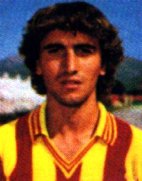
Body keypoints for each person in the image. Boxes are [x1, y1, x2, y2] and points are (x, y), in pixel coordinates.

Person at [0, 1, 142, 180]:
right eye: (55, 51)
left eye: (84, 51)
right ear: (38, 64)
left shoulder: (137, 149)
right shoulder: (3, 147)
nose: (70, 66)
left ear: (103, 64)